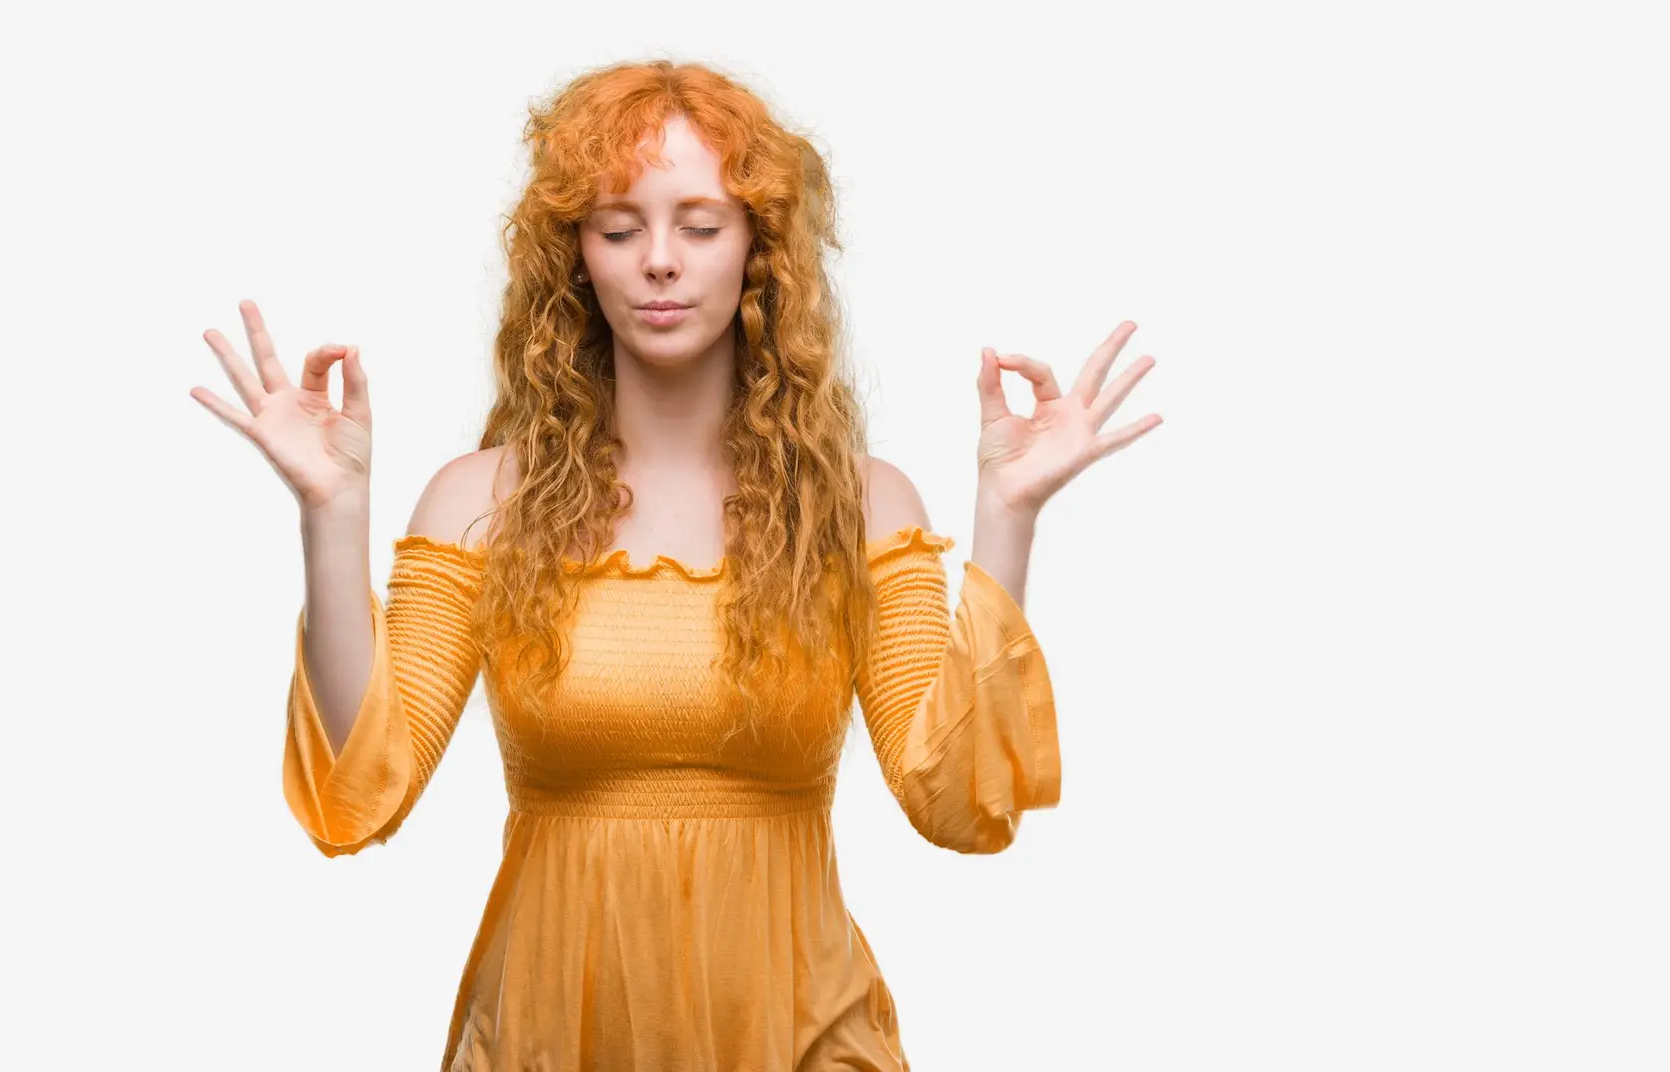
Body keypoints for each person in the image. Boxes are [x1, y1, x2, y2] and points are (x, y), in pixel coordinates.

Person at [191, 58, 1159, 1072]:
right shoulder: (480, 499)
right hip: (547, 1037)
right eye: (619, 228)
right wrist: (331, 511)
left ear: (759, 252)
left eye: (700, 226)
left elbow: (957, 805)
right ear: (576, 257)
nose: (660, 260)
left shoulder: (864, 505)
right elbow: (359, 792)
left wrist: (1007, 514)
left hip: (801, 1039)